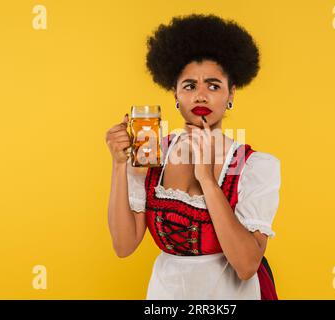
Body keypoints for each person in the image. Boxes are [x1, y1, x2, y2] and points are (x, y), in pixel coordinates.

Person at [106, 13, 281, 300]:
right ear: (174, 93)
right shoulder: (152, 153)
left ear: (230, 94)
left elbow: (247, 265)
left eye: (213, 86)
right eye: (189, 86)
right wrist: (118, 165)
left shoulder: (253, 166)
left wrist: (207, 179)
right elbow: (123, 247)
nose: (200, 96)